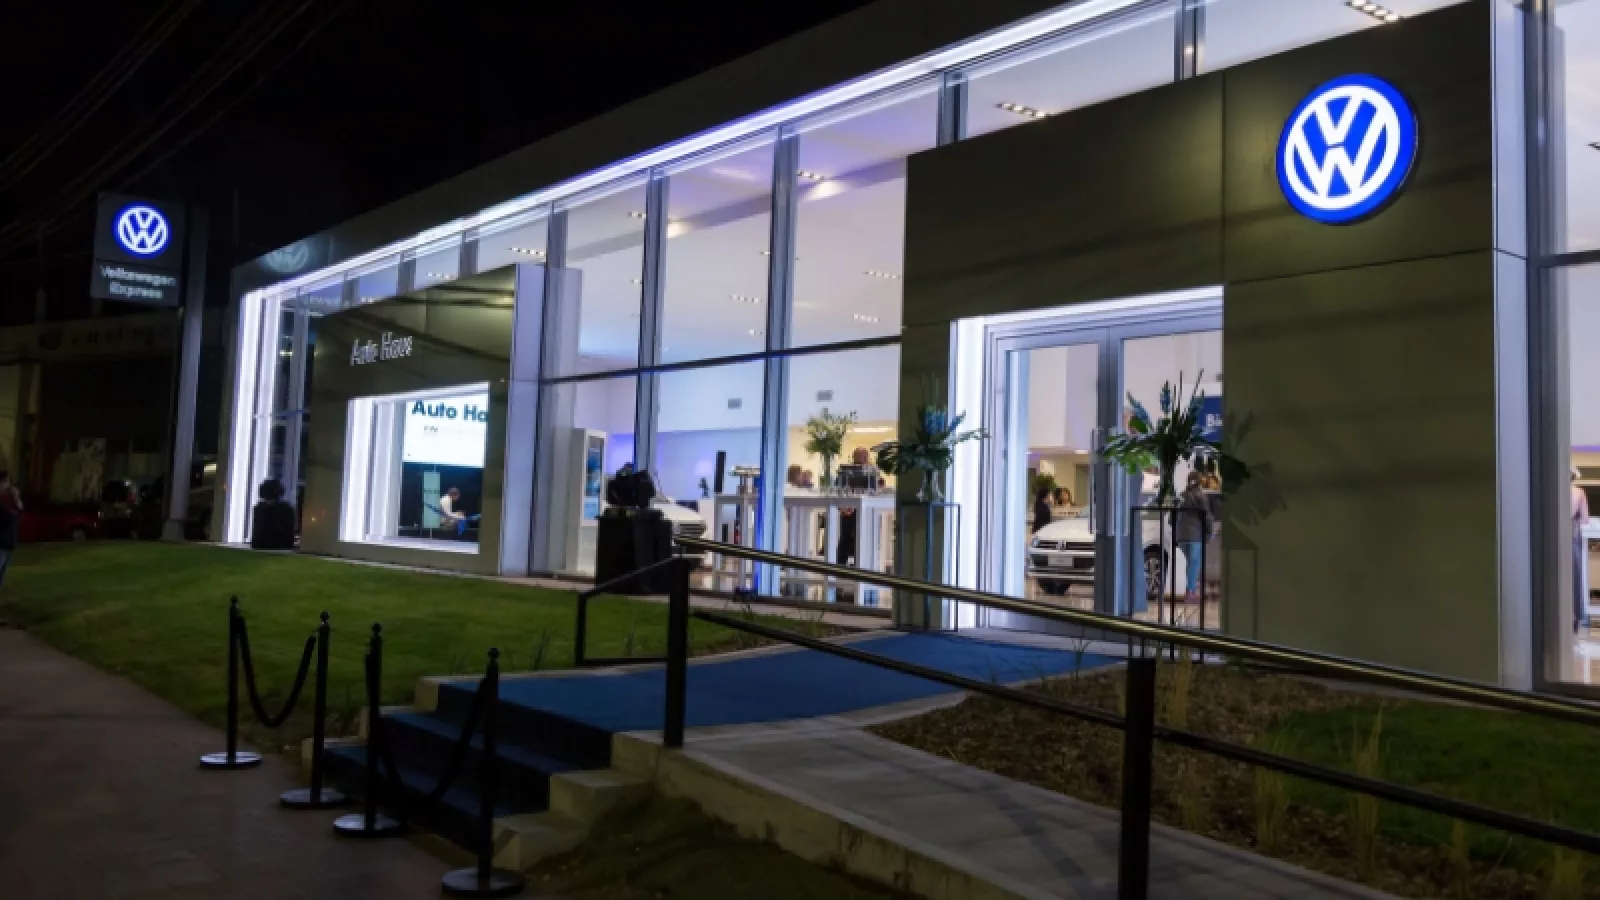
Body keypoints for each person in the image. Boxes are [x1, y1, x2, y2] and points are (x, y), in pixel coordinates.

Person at [1177, 472, 1210, 603]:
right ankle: (1190, 592)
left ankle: (1191, 590)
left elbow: (1173, 516)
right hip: (1195, 535)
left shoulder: (1181, 496)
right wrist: (1209, 532)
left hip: (1181, 535)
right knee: (1194, 563)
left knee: (1190, 563)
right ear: (1199, 482)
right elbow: (1207, 516)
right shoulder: (1201, 496)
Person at [1574, 467, 1591, 633]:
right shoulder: (1579, 492)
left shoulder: (1554, 492)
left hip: (1552, 538)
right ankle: (1575, 617)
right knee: (1575, 577)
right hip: (1572, 538)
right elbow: (1585, 519)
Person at [0, 471, 21, 588]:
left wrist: (16, 498)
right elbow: (10, 518)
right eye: (7, 482)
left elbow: (19, 512)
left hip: (8, 544)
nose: (9, 485)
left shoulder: (8, 500)